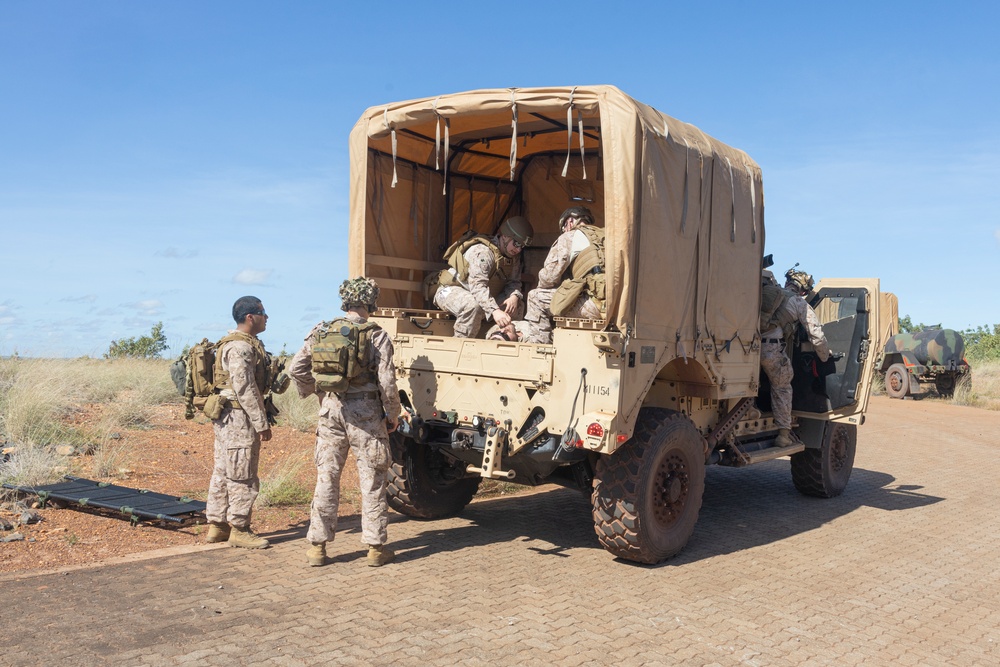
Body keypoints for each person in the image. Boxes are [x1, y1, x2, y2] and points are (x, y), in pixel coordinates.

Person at [288, 277, 402, 568]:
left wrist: (319, 395)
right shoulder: (376, 334)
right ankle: (375, 549)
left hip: (331, 412)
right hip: (365, 415)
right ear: (370, 303)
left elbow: (296, 369)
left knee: (326, 478)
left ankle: (317, 547)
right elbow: (387, 382)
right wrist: (393, 414)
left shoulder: (321, 331)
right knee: (373, 480)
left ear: (346, 301)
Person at [205, 296, 274, 549]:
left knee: (224, 470)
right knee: (243, 475)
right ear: (250, 317)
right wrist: (261, 422)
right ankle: (239, 528)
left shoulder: (233, 343)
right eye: (263, 313)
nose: (266, 317)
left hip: (226, 417)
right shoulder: (241, 348)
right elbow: (244, 387)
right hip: (238, 418)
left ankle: (218, 525)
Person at [430, 216, 534, 338]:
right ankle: (460, 344)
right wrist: (495, 311)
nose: (518, 249)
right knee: (473, 305)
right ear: (505, 236)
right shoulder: (483, 252)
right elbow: (477, 287)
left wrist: (514, 296)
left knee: (516, 306)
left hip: (477, 294)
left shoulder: (511, 257)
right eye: (516, 243)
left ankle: (499, 338)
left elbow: (514, 282)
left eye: (522, 246)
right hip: (449, 291)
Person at [759, 272, 831, 447]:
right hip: (771, 349)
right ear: (803, 290)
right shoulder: (798, 302)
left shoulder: (766, 292)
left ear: (788, 282)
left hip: (745, 346)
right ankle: (783, 435)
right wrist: (825, 356)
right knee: (782, 386)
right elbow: (816, 335)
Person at [523, 206, 605, 344]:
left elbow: (549, 277)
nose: (565, 230)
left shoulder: (569, 236)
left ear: (570, 222)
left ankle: (540, 351)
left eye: (564, 227)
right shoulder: (604, 236)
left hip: (594, 303)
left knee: (535, 298)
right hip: (616, 306)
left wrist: (544, 286)